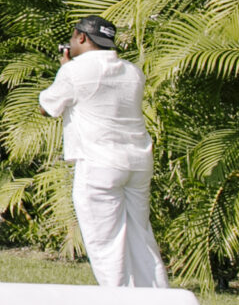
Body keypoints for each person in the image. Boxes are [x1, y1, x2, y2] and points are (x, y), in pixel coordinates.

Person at [38, 15, 165, 288]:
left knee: (106, 244)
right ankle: (157, 301)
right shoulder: (133, 72)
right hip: (137, 163)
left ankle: (118, 304)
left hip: (99, 164)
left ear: (81, 37)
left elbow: (47, 108)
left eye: (73, 38)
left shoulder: (74, 71)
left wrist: (65, 69)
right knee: (141, 237)